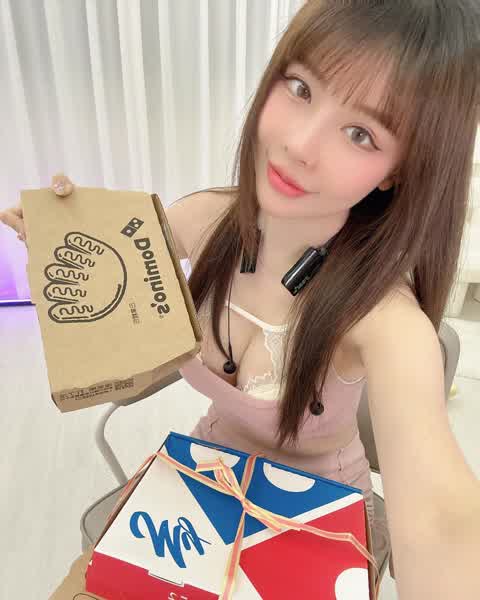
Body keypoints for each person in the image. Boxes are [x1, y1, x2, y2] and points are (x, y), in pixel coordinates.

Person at [2, 1, 480, 598]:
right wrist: (61, 232)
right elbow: (109, 294)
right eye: (300, 88)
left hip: (316, 513)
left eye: (360, 134)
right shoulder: (203, 221)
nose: (299, 144)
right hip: (205, 473)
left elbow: (441, 520)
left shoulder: (384, 318)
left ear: (396, 171)